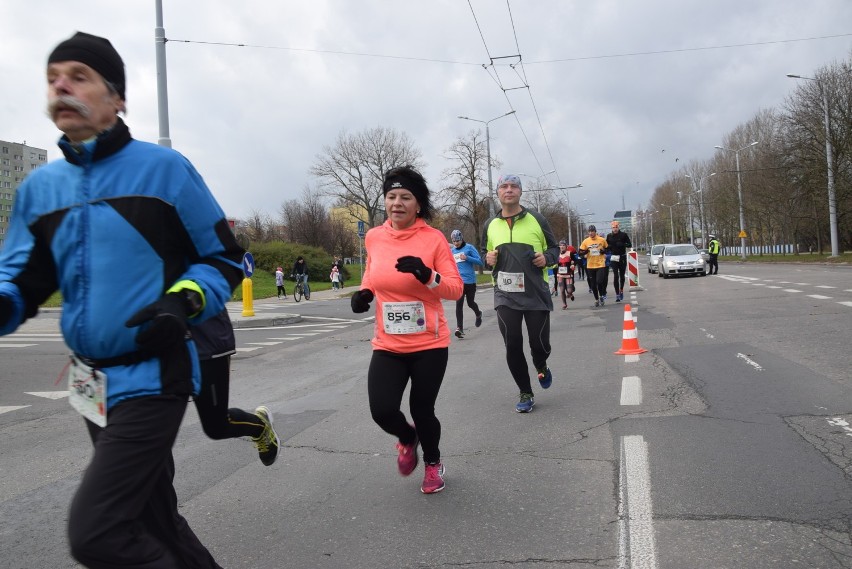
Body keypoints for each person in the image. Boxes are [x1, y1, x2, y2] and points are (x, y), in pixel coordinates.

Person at [0, 32, 243, 568]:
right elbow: (21, 277)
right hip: (92, 383)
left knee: (98, 533)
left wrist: (181, 302)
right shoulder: (39, 190)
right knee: (155, 520)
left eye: (79, 76)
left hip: (155, 373)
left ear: (118, 98)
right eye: (52, 77)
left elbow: (226, 260)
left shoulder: (164, 170)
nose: (61, 86)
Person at [350, 165, 462, 494]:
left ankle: (432, 463)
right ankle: (406, 436)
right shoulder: (374, 237)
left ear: (418, 204)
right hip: (388, 343)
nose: (397, 203)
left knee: (421, 409)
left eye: (405, 197)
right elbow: (372, 272)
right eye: (391, 196)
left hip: (429, 343)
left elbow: (454, 289)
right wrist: (365, 292)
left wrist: (427, 274)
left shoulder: (433, 239)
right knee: (382, 409)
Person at [482, 174, 559, 413]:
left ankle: (541, 364)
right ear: (497, 193)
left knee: (539, 344)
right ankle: (525, 391)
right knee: (512, 344)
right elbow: (486, 255)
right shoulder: (490, 225)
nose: (509, 190)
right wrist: (488, 258)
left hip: (535, 292)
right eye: (504, 186)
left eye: (513, 186)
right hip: (505, 294)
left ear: (520, 192)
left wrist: (545, 258)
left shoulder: (537, 219)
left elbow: (555, 249)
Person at [193, 310, 280, 465]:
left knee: (216, 426)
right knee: (152, 440)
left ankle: (260, 426)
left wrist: (187, 299)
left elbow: (222, 285)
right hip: (152, 347)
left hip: (203, 339)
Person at [450, 229, 484, 338]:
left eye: (458, 241)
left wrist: (467, 258)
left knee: (470, 303)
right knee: (458, 304)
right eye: (454, 241)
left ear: (461, 238)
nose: (456, 243)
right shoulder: (452, 251)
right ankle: (459, 328)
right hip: (459, 282)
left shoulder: (469, 248)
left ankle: (478, 313)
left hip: (470, 281)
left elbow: (480, 261)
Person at [579, 225, 609, 307]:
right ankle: (596, 299)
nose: (591, 233)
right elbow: (580, 252)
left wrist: (603, 251)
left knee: (599, 281)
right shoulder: (586, 241)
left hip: (600, 264)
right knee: (593, 284)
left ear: (595, 232)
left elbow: (608, 249)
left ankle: (601, 295)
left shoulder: (601, 240)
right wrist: (585, 253)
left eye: (592, 231)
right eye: (589, 231)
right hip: (590, 265)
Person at [606, 220, 632, 302]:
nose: (615, 229)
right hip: (614, 257)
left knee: (622, 276)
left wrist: (623, 244)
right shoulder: (609, 236)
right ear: (611, 228)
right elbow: (606, 246)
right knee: (615, 276)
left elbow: (629, 244)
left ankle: (621, 289)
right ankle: (617, 294)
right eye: (613, 227)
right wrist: (608, 247)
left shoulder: (623, 235)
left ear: (618, 227)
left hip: (622, 257)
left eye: (616, 227)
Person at [556, 241, 576, 309]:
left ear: (566, 247)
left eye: (563, 245)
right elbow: (554, 263)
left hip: (568, 274)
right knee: (562, 290)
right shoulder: (557, 254)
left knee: (569, 290)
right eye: (560, 245)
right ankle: (564, 304)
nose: (562, 247)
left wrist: (572, 265)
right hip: (560, 275)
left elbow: (574, 261)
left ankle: (571, 293)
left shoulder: (570, 253)